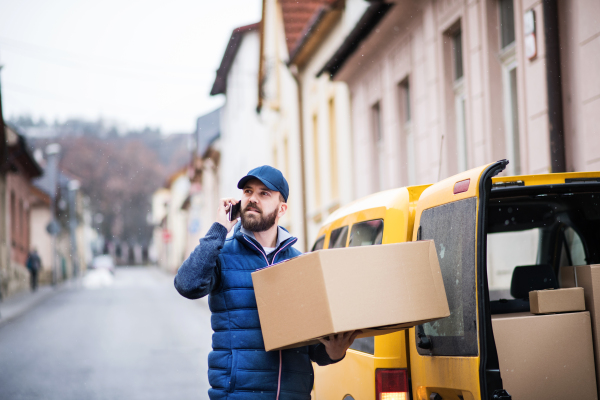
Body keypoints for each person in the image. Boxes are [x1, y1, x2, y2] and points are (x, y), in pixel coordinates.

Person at [175, 165, 359, 400]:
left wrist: (333, 352)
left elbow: (312, 348)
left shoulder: (300, 264)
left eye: (264, 193)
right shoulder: (222, 255)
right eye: (248, 192)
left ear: (282, 209)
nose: (252, 199)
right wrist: (219, 229)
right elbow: (186, 284)